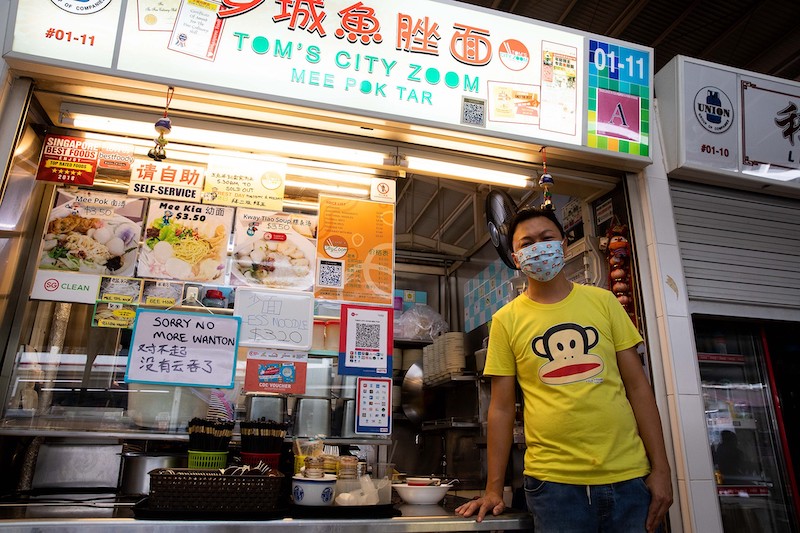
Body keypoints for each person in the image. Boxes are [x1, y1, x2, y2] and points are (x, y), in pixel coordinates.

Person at [455, 207, 672, 532]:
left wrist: (662, 469)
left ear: (564, 246)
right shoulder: (506, 320)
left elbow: (638, 387)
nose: (538, 248)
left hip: (628, 479)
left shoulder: (604, 302)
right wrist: (493, 490)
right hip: (553, 486)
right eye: (528, 243)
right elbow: (500, 409)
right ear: (516, 258)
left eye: (547, 238)